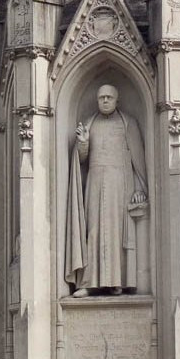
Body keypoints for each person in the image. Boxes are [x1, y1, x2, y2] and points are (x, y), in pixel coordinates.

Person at [65, 85, 147, 296]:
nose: (105, 100)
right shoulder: (90, 123)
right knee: (92, 231)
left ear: (117, 100)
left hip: (119, 184)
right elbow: (82, 160)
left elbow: (138, 161)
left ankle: (116, 281)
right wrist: (82, 143)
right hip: (94, 182)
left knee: (116, 232)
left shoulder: (128, 123)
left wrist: (139, 188)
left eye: (109, 97)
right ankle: (88, 283)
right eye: (101, 97)